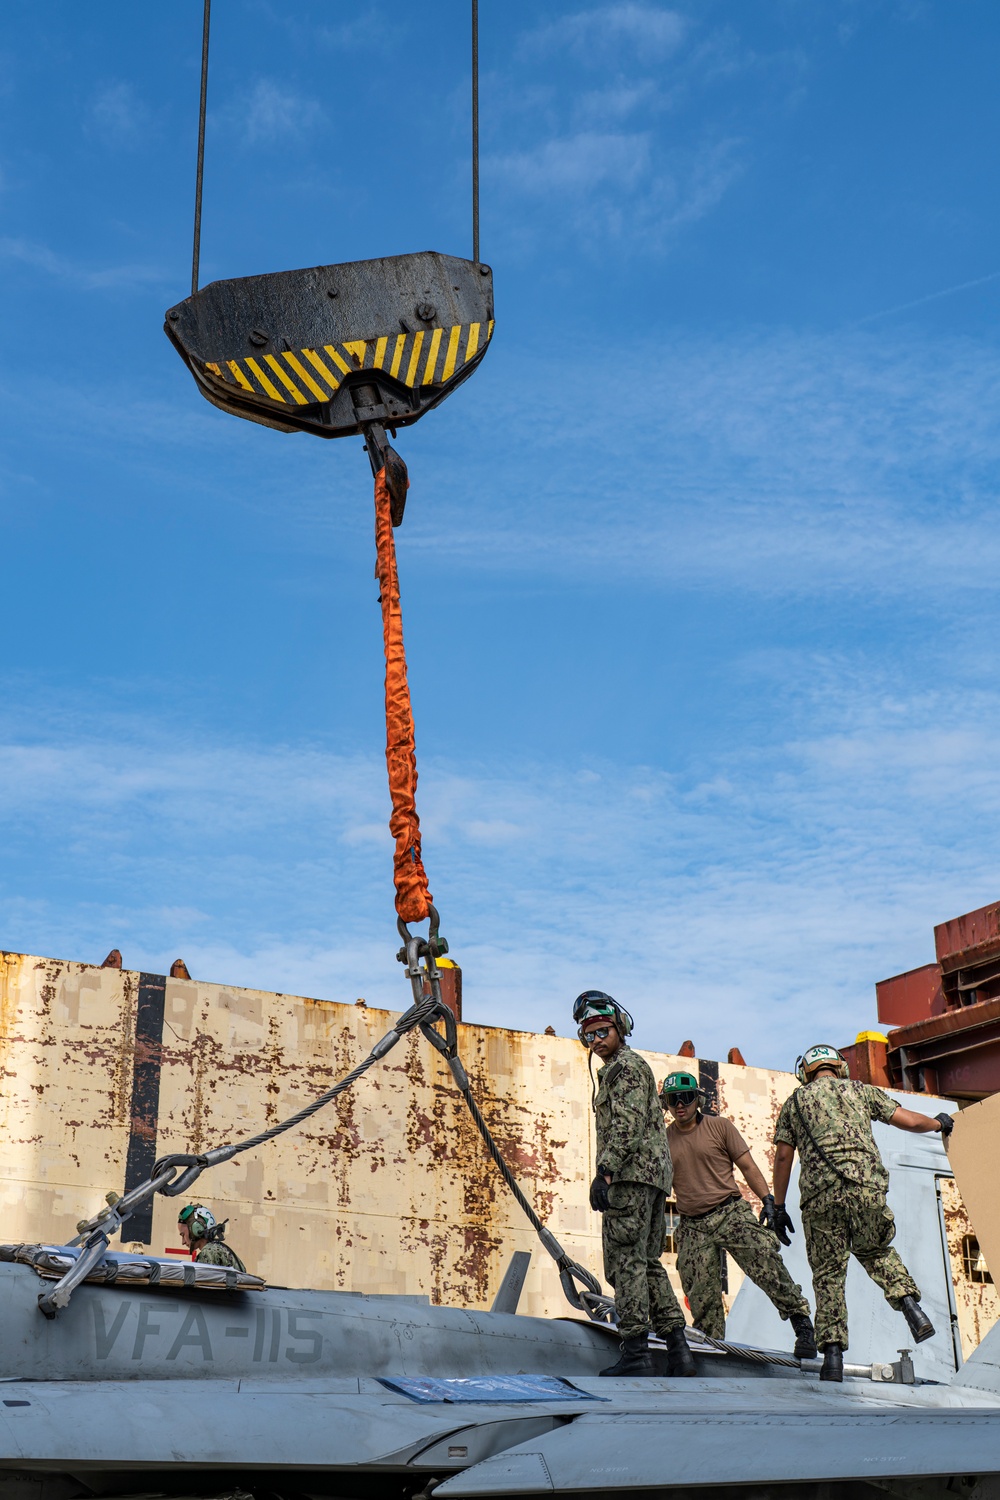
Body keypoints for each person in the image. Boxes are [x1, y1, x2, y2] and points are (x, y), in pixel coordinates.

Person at [772, 1043, 954, 1383]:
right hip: (866, 1190)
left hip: (821, 1199)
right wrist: (938, 1123)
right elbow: (908, 1120)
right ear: (839, 1067)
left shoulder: (794, 1103)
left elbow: (783, 1158)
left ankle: (832, 1359)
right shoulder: (860, 1091)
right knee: (877, 1252)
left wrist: (778, 1206)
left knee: (828, 1275)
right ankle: (911, 1309)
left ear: (805, 1072)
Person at [574, 990, 696, 1378]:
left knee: (625, 1263)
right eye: (589, 1035)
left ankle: (636, 1352)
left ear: (620, 1029)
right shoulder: (629, 1066)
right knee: (647, 1263)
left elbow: (625, 1127)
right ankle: (679, 1349)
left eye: (602, 1031)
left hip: (630, 1178)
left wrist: (605, 1172)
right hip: (650, 1179)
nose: (596, 1040)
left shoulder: (623, 1068)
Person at [659, 1070, 817, 1359]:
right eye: (672, 1100)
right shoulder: (663, 1140)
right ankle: (709, 1349)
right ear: (665, 1104)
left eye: (685, 1098)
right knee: (701, 1295)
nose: (679, 1105)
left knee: (766, 1263)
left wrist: (769, 1201)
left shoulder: (720, 1127)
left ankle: (802, 1325)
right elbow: (658, 1187)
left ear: (697, 1100)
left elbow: (747, 1166)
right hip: (693, 1225)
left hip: (729, 1212)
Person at [177, 1203, 247, 1271]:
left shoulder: (209, 1252)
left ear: (196, 1229)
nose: (183, 1242)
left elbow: (203, 1281)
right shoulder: (217, 1248)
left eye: (183, 1235)